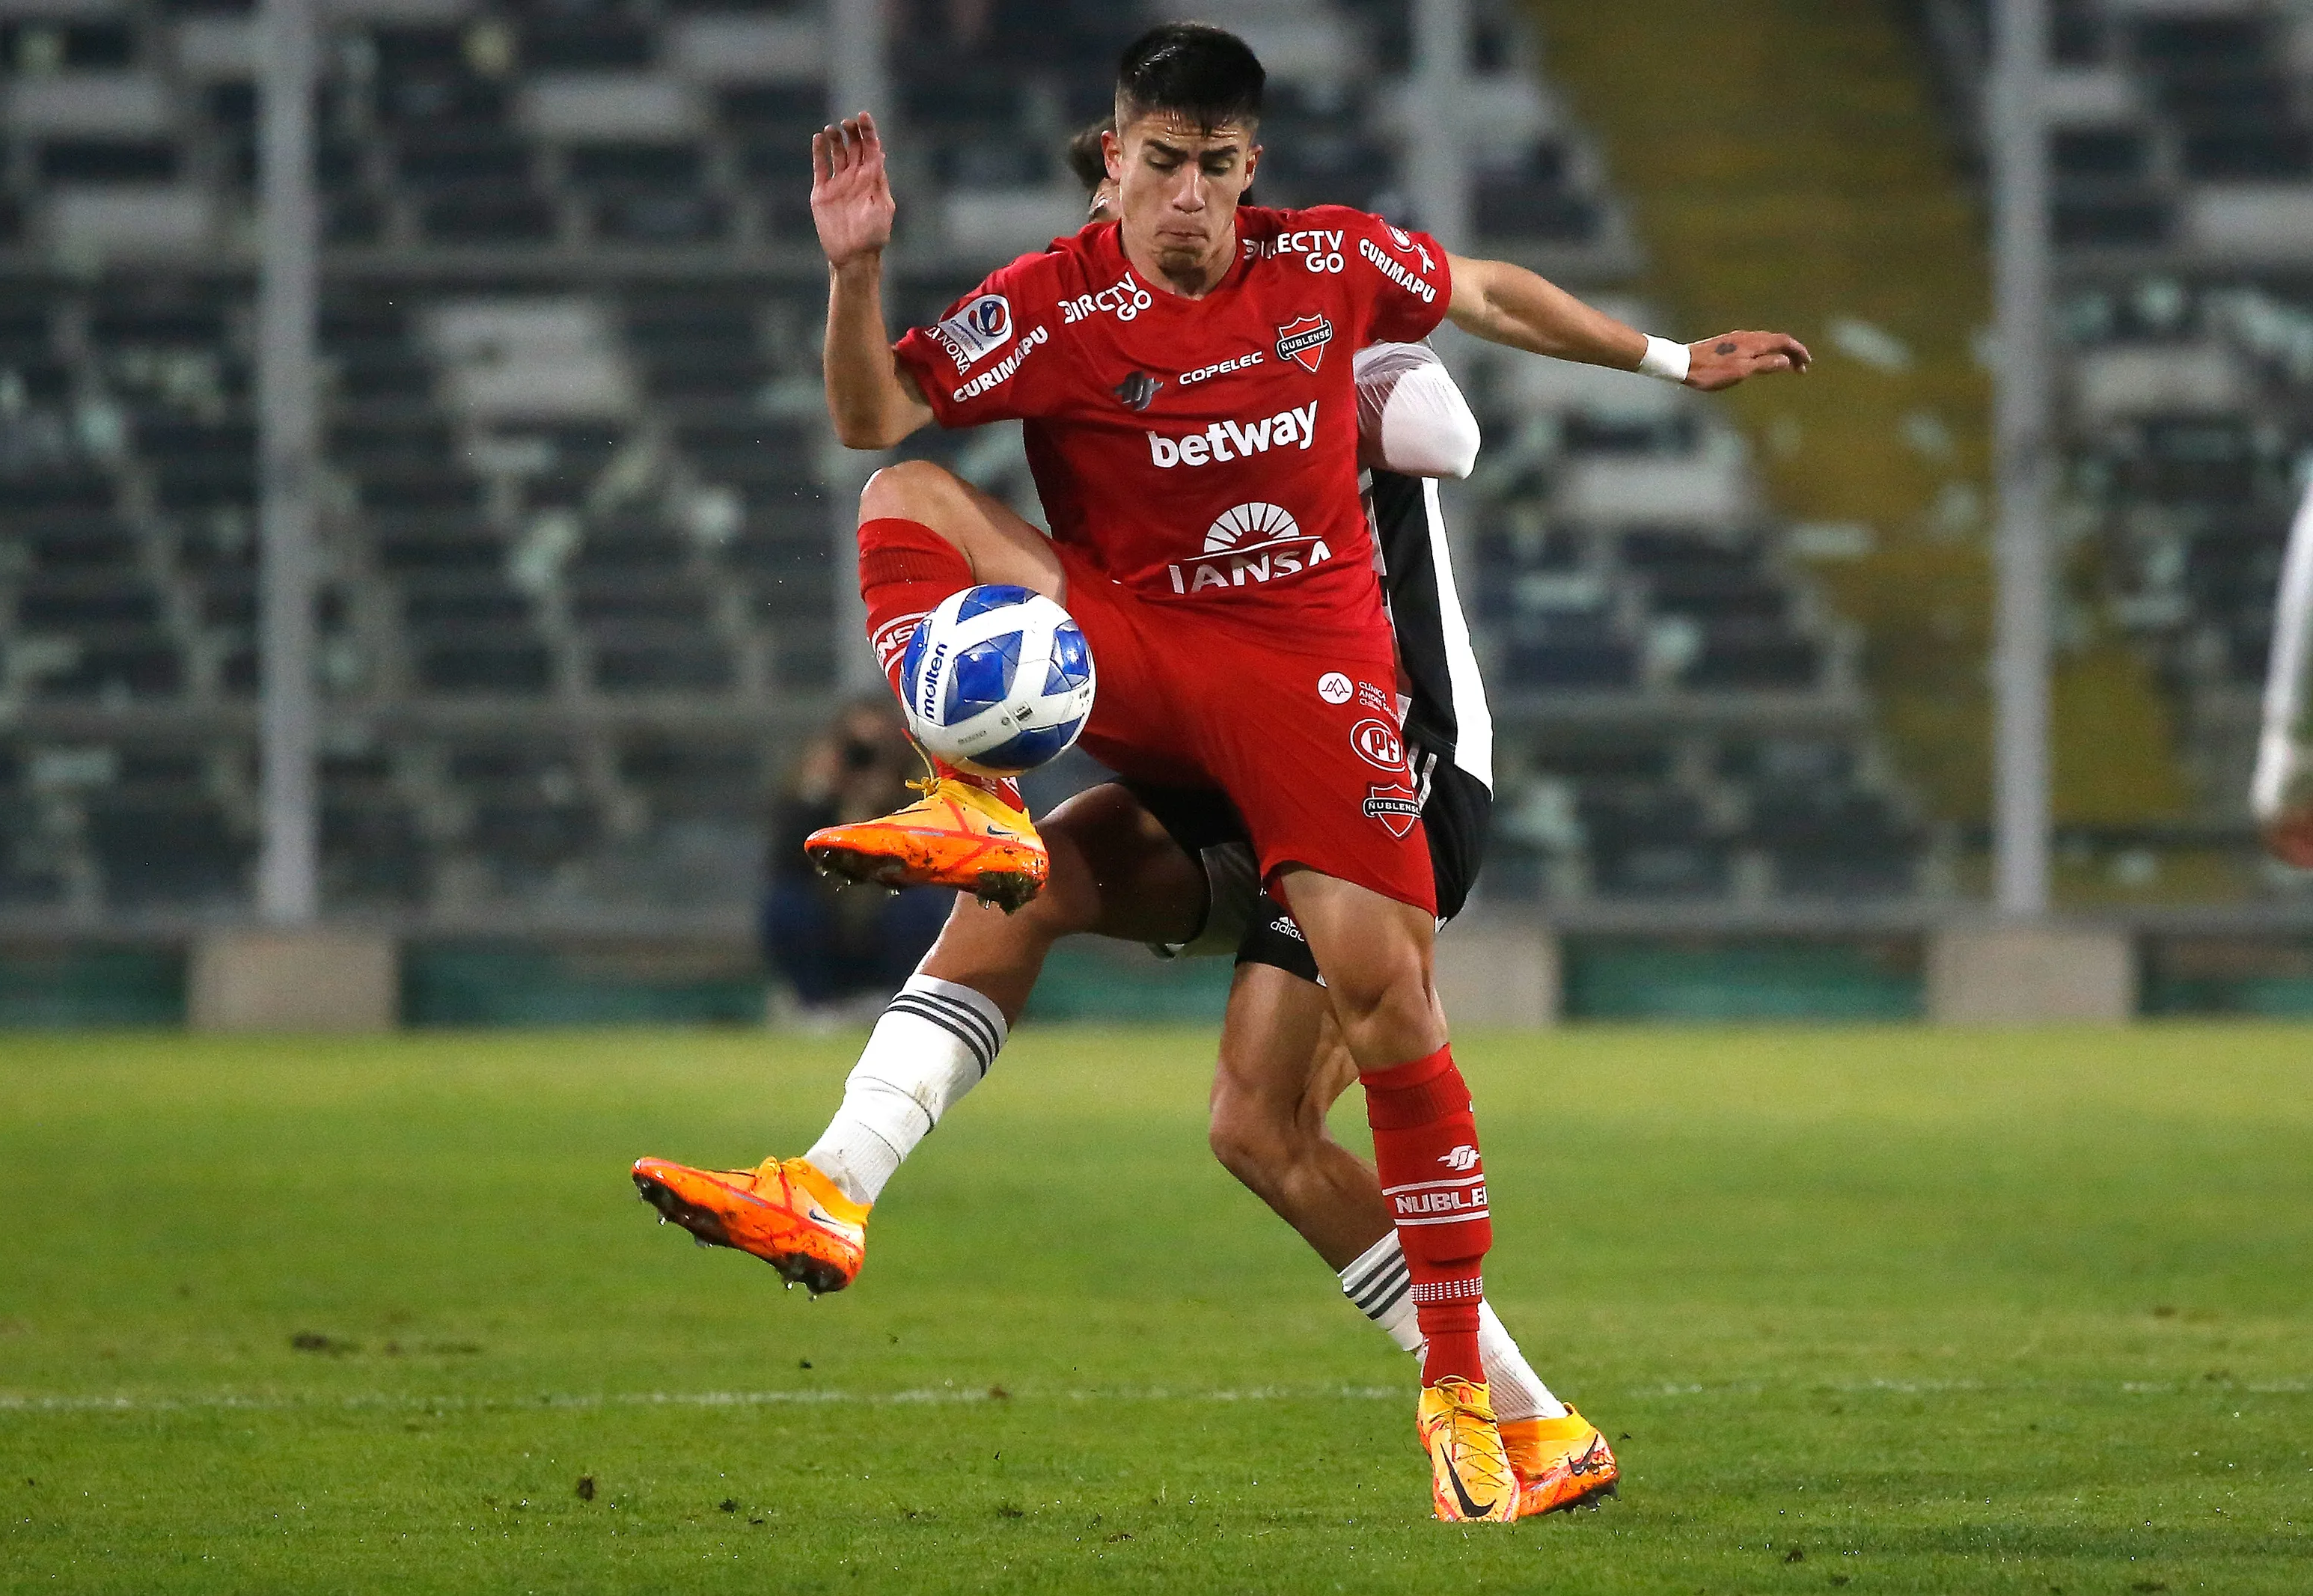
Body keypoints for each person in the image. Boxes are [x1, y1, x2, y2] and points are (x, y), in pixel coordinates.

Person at [638, 22, 1808, 1521]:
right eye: (1153, 165)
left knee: (1310, 1080)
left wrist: (1665, 360)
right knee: (917, 520)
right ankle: (840, 1165)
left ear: (1247, 169)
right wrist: (855, 272)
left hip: (1352, 723)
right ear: (1113, 159)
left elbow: (1471, 320)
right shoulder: (1052, 304)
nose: (1179, 196)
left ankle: (1487, 1402)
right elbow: (869, 415)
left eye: (1210, 167)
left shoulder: (1330, 275)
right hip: (1165, 684)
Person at [759, 701, 952, 1018]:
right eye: (856, 750)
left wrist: (893, 803)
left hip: (888, 911)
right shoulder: (812, 794)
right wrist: (819, 794)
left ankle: (902, 997)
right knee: (788, 902)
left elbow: (934, 854)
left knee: (922, 903)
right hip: (826, 911)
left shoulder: (919, 784)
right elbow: (785, 860)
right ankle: (813, 1003)